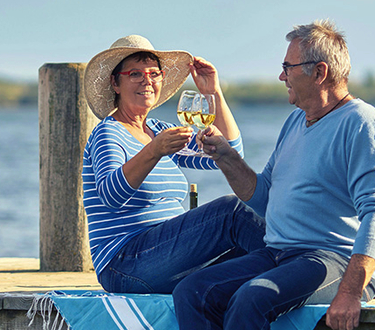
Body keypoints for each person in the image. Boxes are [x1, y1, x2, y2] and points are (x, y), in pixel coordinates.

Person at [129, 20, 375, 330]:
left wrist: (353, 289)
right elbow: (263, 195)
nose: (281, 77)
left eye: (288, 67)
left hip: (328, 259)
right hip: (280, 251)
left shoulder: (361, 123)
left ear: (321, 71)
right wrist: (226, 157)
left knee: (253, 296)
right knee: (193, 290)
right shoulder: (296, 121)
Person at [82, 35, 265, 294]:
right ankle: (301, 265)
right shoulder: (108, 133)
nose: (147, 81)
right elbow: (111, 196)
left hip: (166, 259)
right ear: (116, 82)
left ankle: (298, 274)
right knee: (230, 210)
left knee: (244, 250)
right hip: (123, 266)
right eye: (135, 74)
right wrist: (154, 151)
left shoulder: (158, 130)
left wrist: (213, 92)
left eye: (154, 73)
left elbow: (231, 153)